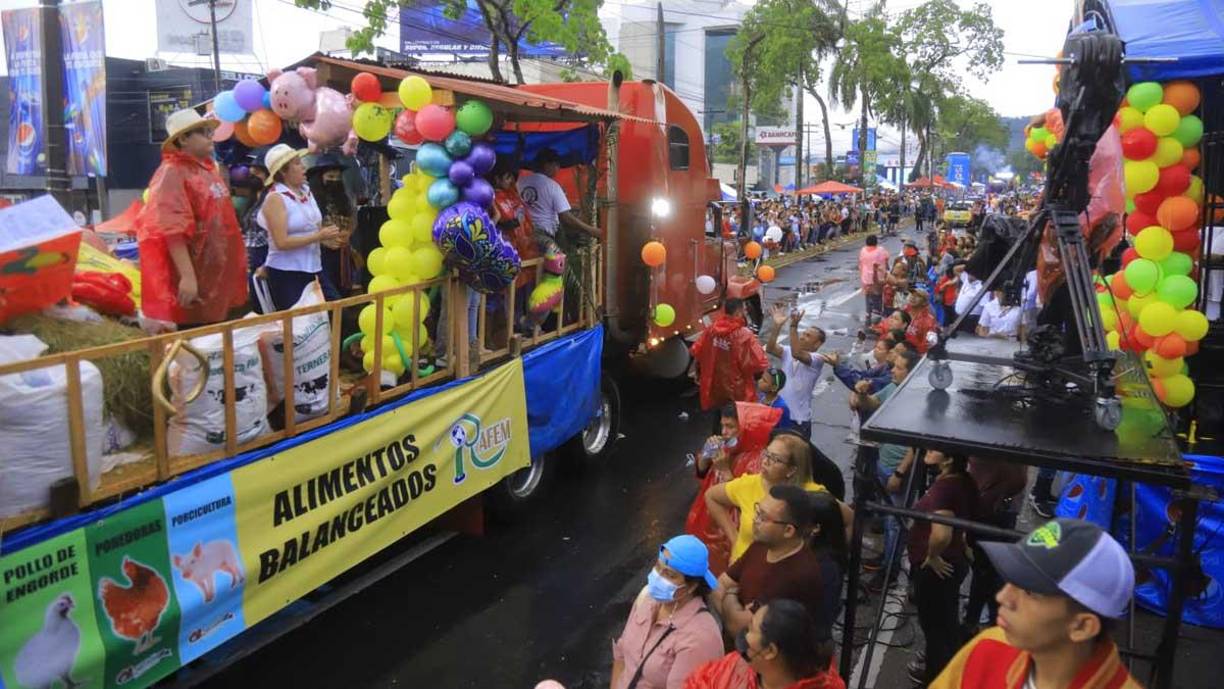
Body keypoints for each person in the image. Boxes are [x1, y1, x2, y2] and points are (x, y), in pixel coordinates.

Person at [932, 519, 1141, 689]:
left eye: (1030, 591)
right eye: (1012, 581)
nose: (1003, 597)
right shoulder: (989, 647)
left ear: (1082, 626)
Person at [135, 108, 248, 327]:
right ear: (184, 139)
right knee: (201, 346)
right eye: (202, 131)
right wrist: (187, 277)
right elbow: (172, 228)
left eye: (208, 131)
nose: (210, 136)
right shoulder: (172, 172)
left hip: (219, 279)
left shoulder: (206, 170)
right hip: (198, 283)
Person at [892, 450, 979, 686]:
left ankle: (936, 679)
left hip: (937, 570)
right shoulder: (963, 480)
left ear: (949, 459)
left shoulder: (945, 488)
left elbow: (941, 533)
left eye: (934, 449)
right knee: (946, 625)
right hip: (953, 563)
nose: (927, 451)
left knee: (936, 631)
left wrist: (932, 556)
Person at [710, 486, 844, 636]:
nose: (755, 520)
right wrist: (735, 611)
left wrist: (730, 594)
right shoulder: (761, 544)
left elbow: (739, 628)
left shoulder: (796, 575)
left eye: (764, 517)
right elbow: (718, 586)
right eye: (757, 511)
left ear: (788, 530)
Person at [611, 535, 724, 689]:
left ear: (691, 586)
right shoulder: (647, 597)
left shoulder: (701, 638)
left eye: (670, 575)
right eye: (658, 567)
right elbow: (621, 655)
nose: (658, 578)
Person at [686, 402, 783, 575]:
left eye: (730, 427)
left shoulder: (759, 462)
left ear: (746, 428)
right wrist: (706, 455)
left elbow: (747, 503)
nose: (724, 432)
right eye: (722, 426)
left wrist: (724, 469)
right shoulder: (727, 446)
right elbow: (702, 472)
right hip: (706, 524)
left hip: (727, 534)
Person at [704, 434, 829, 566]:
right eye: (766, 454)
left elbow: (845, 520)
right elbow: (711, 496)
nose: (765, 461)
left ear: (791, 470)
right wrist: (734, 539)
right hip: (741, 568)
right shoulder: (748, 484)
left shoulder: (811, 494)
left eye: (775, 459)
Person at [255, 144, 342, 312]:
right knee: (300, 326)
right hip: (288, 273)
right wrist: (319, 236)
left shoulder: (307, 191)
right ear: (283, 171)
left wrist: (327, 236)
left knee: (335, 310)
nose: (303, 167)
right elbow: (282, 242)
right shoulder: (275, 198)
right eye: (296, 163)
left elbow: (314, 225)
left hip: (314, 267)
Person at [683, 600, 845, 689]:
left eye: (752, 628)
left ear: (770, 650)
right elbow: (699, 682)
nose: (745, 632)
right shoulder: (736, 665)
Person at [962, 457, 1028, 637]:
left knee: (989, 570)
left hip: (994, 509)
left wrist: (995, 495)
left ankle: (982, 624)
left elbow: (1018, 480)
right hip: (989, 506)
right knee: (984, 568)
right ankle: (976, 617)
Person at [692, 299, 770, 433]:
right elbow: (758, 363)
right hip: (736, 387)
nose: (746, 313)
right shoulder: (744, 334)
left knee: (718, 417)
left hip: (715, 384)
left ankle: (715, 444)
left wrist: (699, 371)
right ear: (739, 312)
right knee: (735, 423)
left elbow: (698, 351)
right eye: (744, 310)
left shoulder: (711, 329)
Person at [517, 148, 601, 253]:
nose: (558, 168)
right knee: (555, 265)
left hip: (522, 235)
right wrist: (592, 230)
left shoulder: (520, 182)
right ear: (547, 165)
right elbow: (566, 218)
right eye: (556, 165)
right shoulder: (552, 186)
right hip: (544, 237)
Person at [490, 159, 539, 332]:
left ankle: (520, 324)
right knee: (507, 294)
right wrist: (506, 224)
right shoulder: (491, 197)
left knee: (521, 292)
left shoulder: (512, 194)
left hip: (523, 251)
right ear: (496, 179)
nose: (510, 181)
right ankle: (509, 328)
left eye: (511, 178)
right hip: (505, 252)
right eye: (506, 178)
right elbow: (494, 222)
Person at [765, 304, 826, 440]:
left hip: (798, 420)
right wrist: (777, 326)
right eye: (803, 333)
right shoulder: (787, 351)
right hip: (779, 413)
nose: (803, 337)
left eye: (808, 336)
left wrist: (793, 327)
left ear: (817, 344)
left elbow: (797, 353)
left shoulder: (817, 359)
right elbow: (770, 348)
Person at [306, 154, 355, 300]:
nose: (335, 180)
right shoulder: (309, 198)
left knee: (343, 292)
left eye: (337, 177)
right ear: (319, 177)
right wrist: (322, 239)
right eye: (330, 176)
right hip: (319, 254)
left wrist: (348, 233)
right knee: (327, 295)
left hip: (342, 254)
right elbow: (305, 226)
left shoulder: (344, 197)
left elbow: (352, 218)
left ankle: (340, 322)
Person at [859, 235, 890, 324]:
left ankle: (868, 312)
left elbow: (861, 262)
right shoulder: (880, 250)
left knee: (868, 295)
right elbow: (887, 257)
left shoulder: (863, 250)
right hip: (877, 276)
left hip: (865, 276)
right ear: (876, 242)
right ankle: (878, 312)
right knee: (878, 295)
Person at [903, 288, 939, 353]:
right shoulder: (903, 310)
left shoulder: (928, 320)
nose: (913, 297)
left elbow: (927, 345)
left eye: (918, 296)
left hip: (914, 353)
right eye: (912, 294)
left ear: (924, 302)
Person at [953, 266, 986, 334]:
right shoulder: (966, 279)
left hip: (971, 319)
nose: (969, 275)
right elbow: (955, 269)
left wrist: (981, 324)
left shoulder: (982, 286)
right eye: (969, 273)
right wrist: (971, 264)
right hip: (958, 316)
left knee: (967, 341)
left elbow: (985, 306)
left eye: (972, 273)